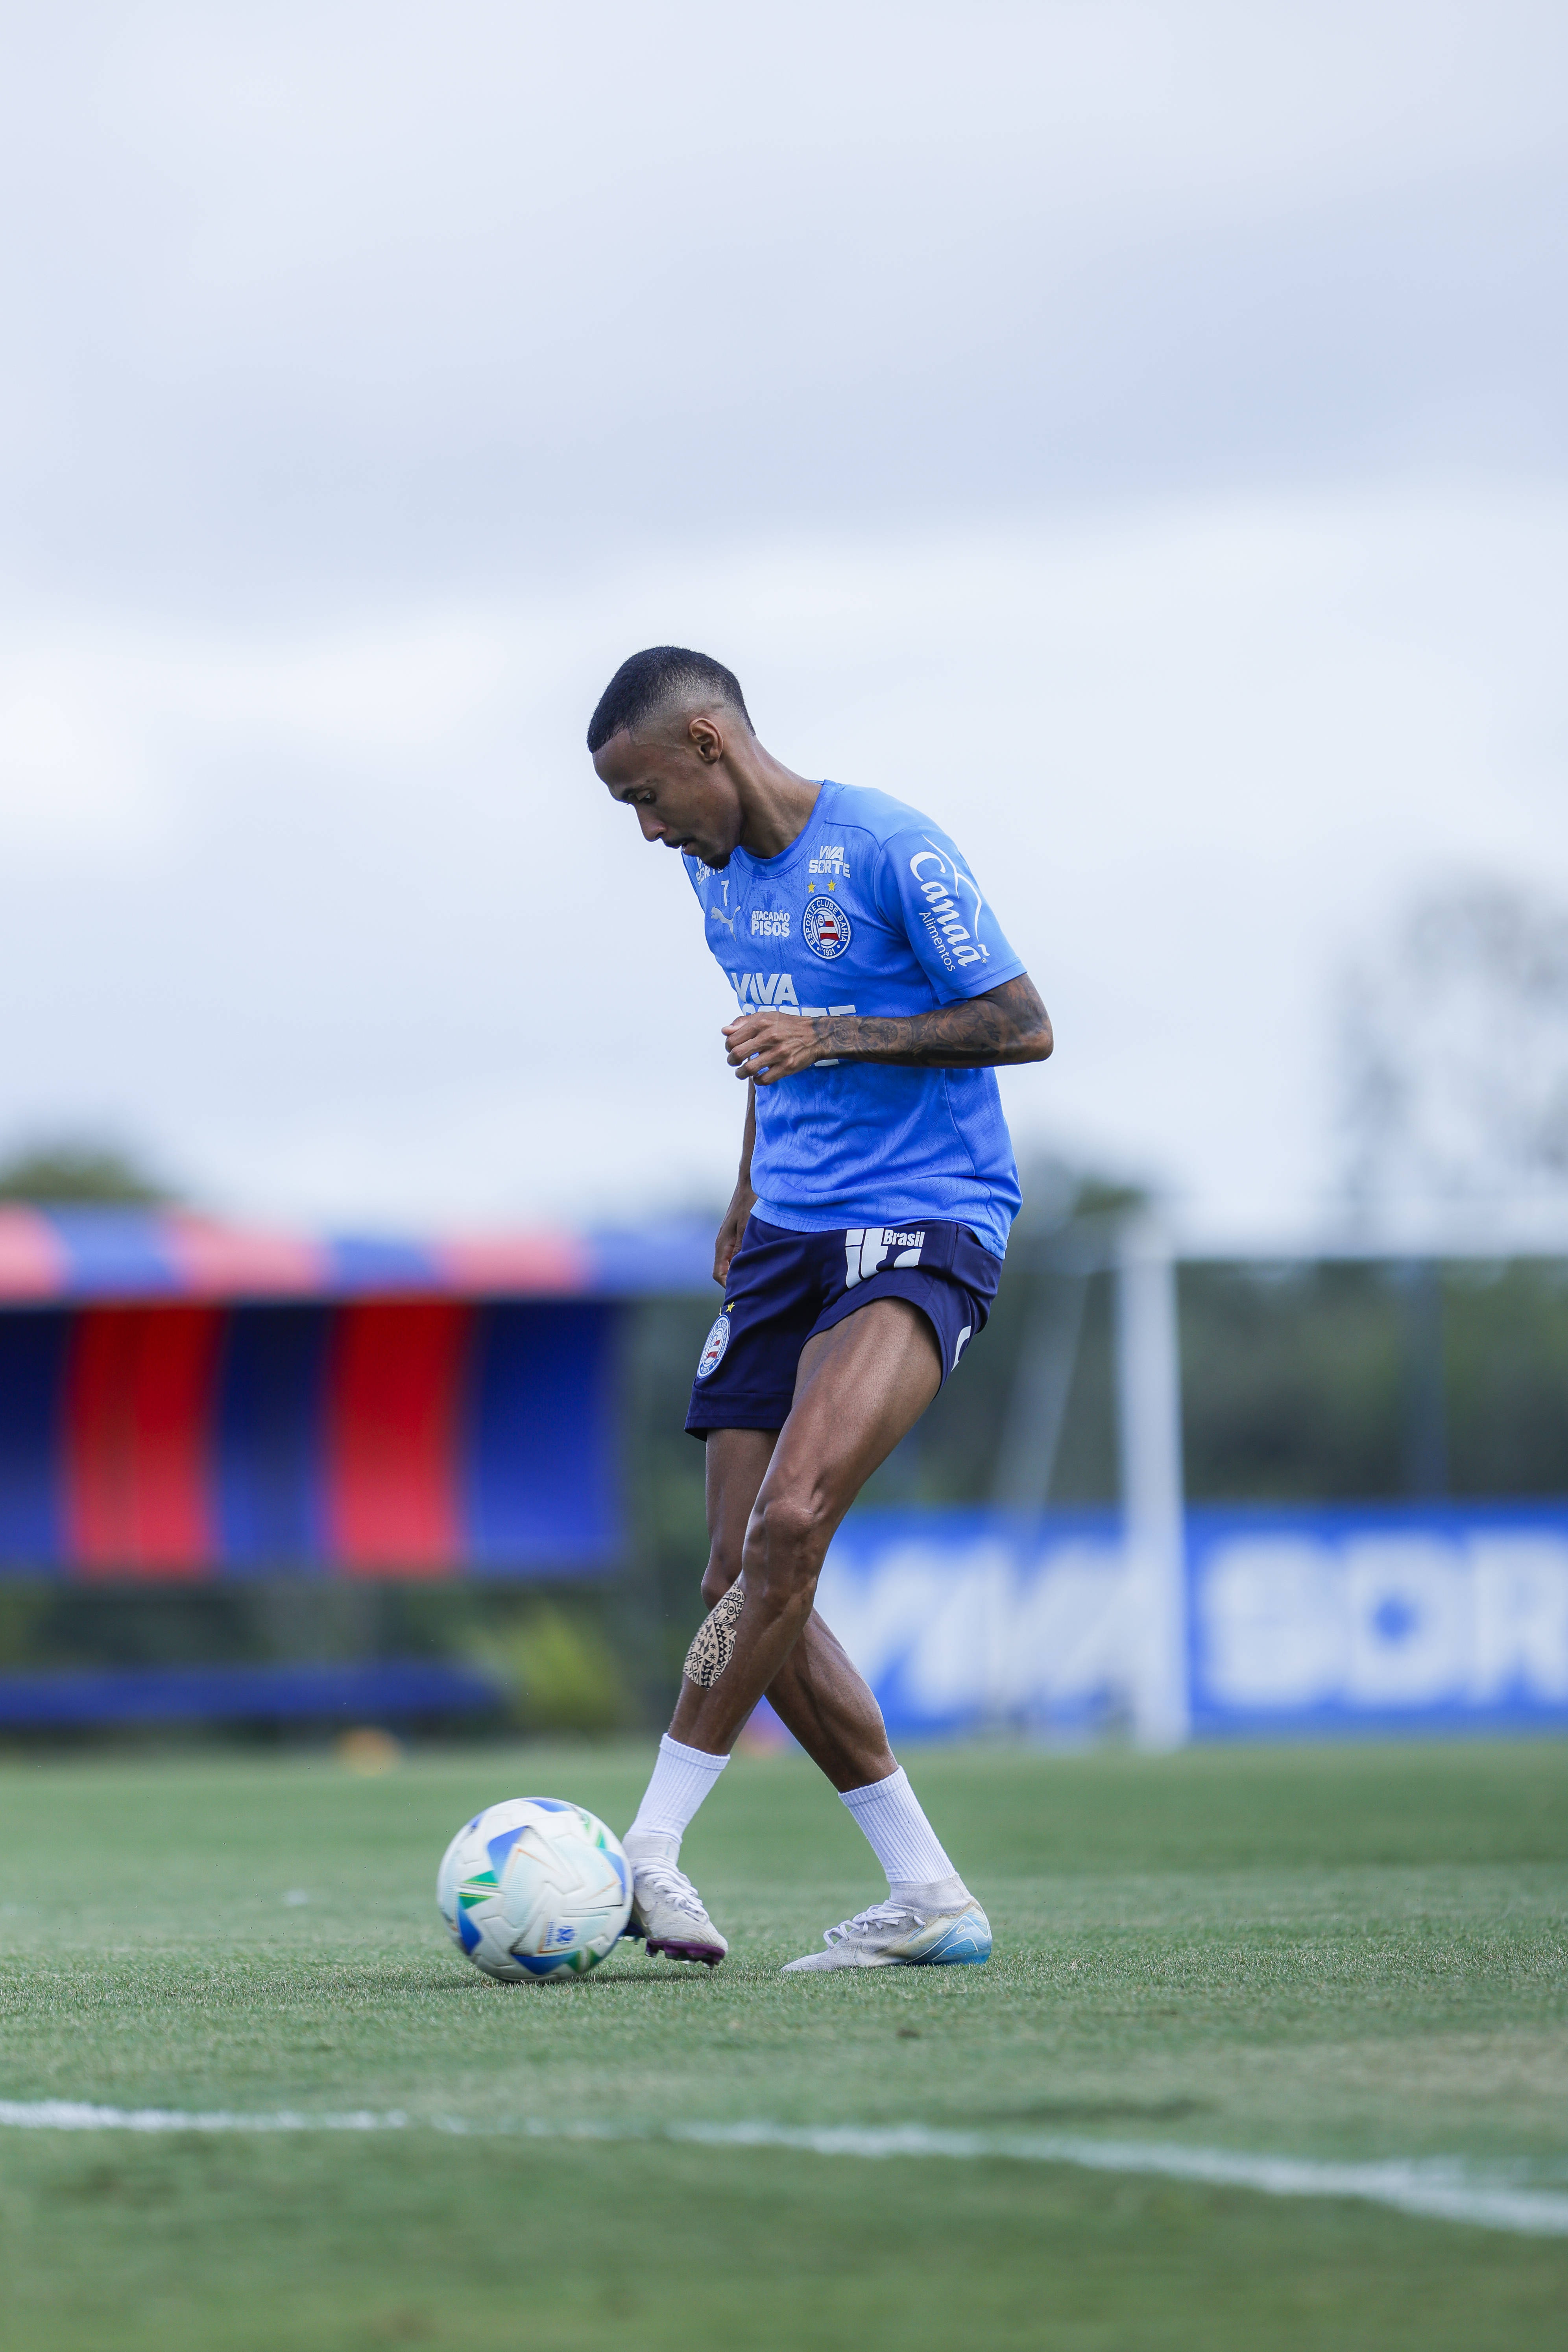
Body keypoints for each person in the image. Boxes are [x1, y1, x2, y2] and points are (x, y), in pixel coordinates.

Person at [589, 646, 1051, 1971]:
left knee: (793, 1522)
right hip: (788, 1234)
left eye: (646, 792)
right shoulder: (710, 870)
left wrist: (836, 1035)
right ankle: (927, 1893)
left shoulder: (893, 849)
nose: (645, 828)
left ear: (706, 740)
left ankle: (647, 1853)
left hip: (924, 1215)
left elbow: (1022, 1021)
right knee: (745, 1570)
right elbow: (766, 1028)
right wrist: (746, 1190)